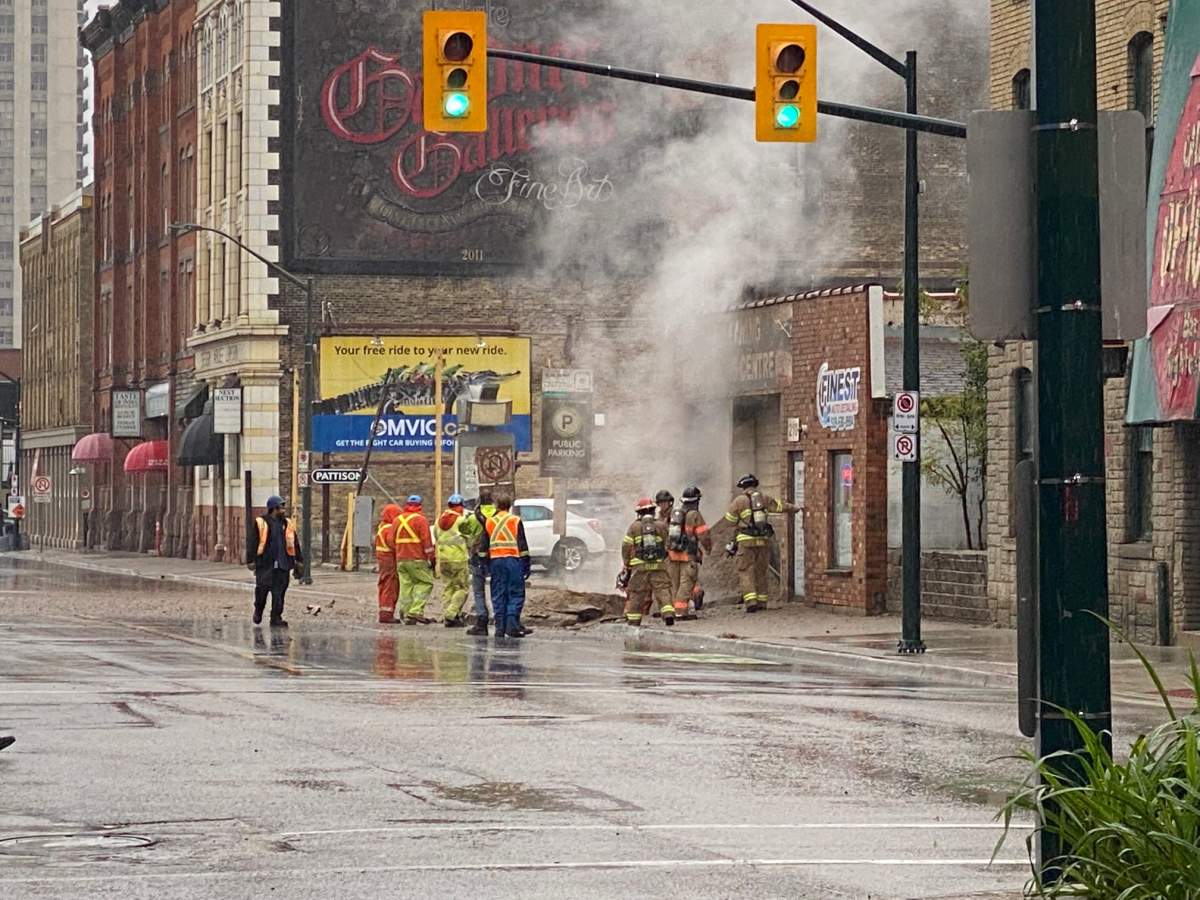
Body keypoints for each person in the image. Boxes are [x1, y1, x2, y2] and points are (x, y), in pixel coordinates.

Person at [722, 473, 801, 613]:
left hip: (745, 541)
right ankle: (762, 603)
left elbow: (729, 521)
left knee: (746, 571)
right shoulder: (764, 498)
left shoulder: (739, 501)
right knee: (761, 572)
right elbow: (780, 506)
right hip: (763, 541)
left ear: (743, 487)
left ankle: (751, 602)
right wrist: (796, 508)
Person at [478, 494, 532, 638]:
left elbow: (483, 547)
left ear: (496, 506)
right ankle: (512, 626)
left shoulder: (489, 522)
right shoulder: (515, 520)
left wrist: (483, 566)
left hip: (496, 562)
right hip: (513, 561)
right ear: (510, 506)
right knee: (515, 593)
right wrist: (526, 564)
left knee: (498, 594)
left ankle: (499, 629)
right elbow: (522, 545)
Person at [249, 495, 303, 627]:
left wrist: (299, 560)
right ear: (274, 508)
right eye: (281, 507)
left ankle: (276, 617)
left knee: (279, 593)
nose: (284, 510)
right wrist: (251, 560)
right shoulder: (261, 522)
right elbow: (253, 542)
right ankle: (258, 610)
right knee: (262, 591)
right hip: (265, 564)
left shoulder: (287, 523)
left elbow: (294, 543)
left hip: (283, 564)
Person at [621, 497, 675, 627]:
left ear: (639, 513)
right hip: (659, 565)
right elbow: (669, 543)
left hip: (639, 567)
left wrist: (627, 563)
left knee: (637, 593)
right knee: (662, 589)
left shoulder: (634, 527)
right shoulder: (661, 525)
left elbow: (626, 546)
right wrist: (665, 555)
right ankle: (668, 614)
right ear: (653, 510)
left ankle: (634, 620)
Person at [666, 485, 713, 619]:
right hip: (688, 556)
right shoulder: (694, 515)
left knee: (675, 584)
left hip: (673, 555)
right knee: (687, 584)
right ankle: (681, 612)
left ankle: (675, 610)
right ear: (696, 501)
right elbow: (704, 535)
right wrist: (708, 549)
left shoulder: (675, 513)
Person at [459, 486, 497, 635]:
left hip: (477, 554)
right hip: (494, 554)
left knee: (478, 589)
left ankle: (482, 620)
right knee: (496, 588)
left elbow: (462, 528)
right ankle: (499, 618)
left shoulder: (474, 516)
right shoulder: (497, 515)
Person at [394, 495, 436, 625]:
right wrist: (432, 558)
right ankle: (416, 611)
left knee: (406, 586)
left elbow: (391, 540)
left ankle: (406, 613)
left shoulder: (397, 520)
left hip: (401, 559)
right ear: (420, 505)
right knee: (425, 583)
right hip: (417, 559)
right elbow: (427, 542)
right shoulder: (421, 520)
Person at [434, 493, 471, 627]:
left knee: (448, 588)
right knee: (462, 588)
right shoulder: (461, 520)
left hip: (443, 560)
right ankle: (451, 614)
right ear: (460, 507)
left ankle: (449, 616)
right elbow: (469, 535)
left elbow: (436, 538)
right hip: (458, 559)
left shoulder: (438, 521)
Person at [374, 503, 401, 624]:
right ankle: (387, 614)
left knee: (384, 584)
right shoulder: (389, 529)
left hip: (383, 559)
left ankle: (385, 611)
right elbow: (393, 544)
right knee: (390, 586)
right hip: (389, 560)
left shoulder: (382, 527)